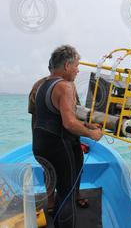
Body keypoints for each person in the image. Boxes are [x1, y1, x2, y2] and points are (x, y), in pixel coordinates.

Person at [32, 45, 102, 227]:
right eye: (77, 65)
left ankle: (54, 219)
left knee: (57, 187)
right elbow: (69, 123)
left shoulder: (42, 85)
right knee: (67, 194)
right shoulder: (65, 86)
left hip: (41, 146)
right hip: (59, 147)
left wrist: (86, 124)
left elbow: (56, 115)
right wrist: (92, 133)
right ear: (67, 66)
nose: (78, 70)